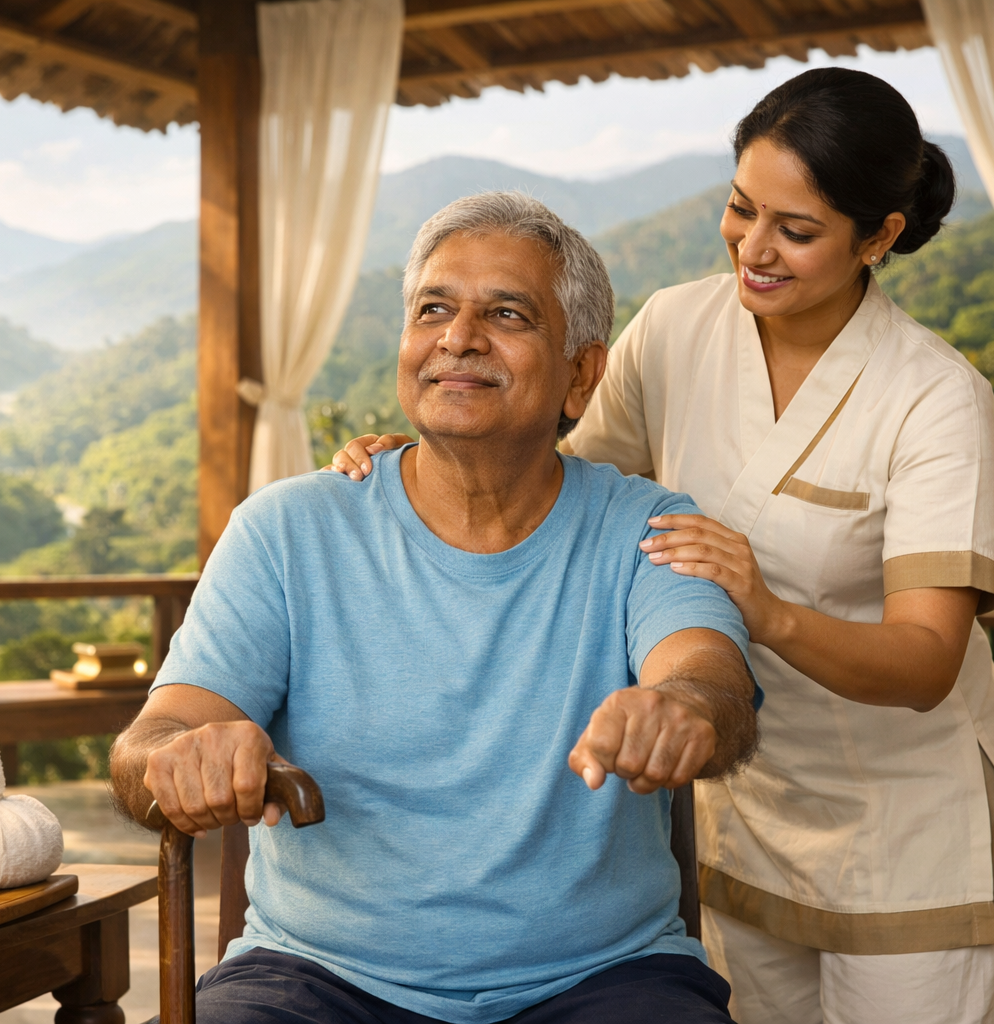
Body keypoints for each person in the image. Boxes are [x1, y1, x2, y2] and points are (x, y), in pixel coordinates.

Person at [329, 69, 994, 1024]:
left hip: (913, 828)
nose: (754, 249)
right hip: (747, 803)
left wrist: (767, 610)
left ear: (879, 236)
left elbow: (928, 662)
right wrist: (435, 446)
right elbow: (550, 486)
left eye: (796, 231)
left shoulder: (934, 396)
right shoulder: (676, 328)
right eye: (741, 209)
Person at [110, 191, 762, 1024]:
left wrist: (679, 709)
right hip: (315, 978)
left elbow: (712, 679)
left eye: (509, 314)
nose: (459, 337)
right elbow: (148, 745)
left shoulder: (652, 526)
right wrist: (179, 759)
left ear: (582, 373)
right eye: (434, 309)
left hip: (605, 978)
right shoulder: (285, 529)